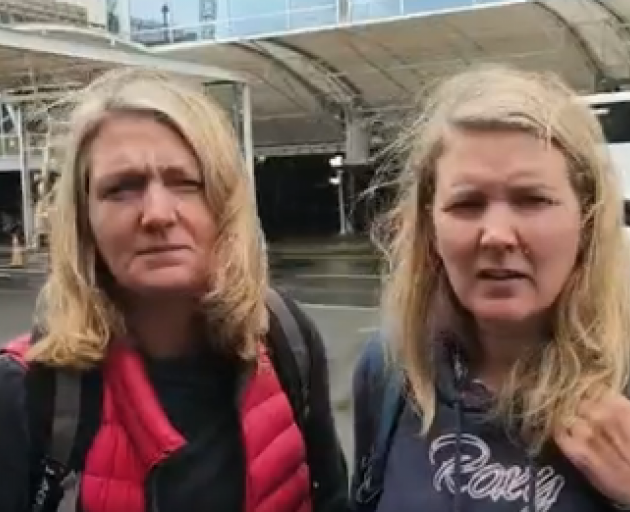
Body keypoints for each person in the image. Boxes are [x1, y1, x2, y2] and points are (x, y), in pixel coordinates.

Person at [0, 67, 347, 512]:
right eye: (122, 188)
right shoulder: (24, 395)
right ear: (83, 220)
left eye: (186, 183)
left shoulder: (286, 339)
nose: (158, 214)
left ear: (224, 202)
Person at [350, 64, 630, 512]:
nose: (497, 234)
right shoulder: (391, 369)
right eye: (467, 203)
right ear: (430, 228)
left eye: (533, 200)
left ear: (588, 220)